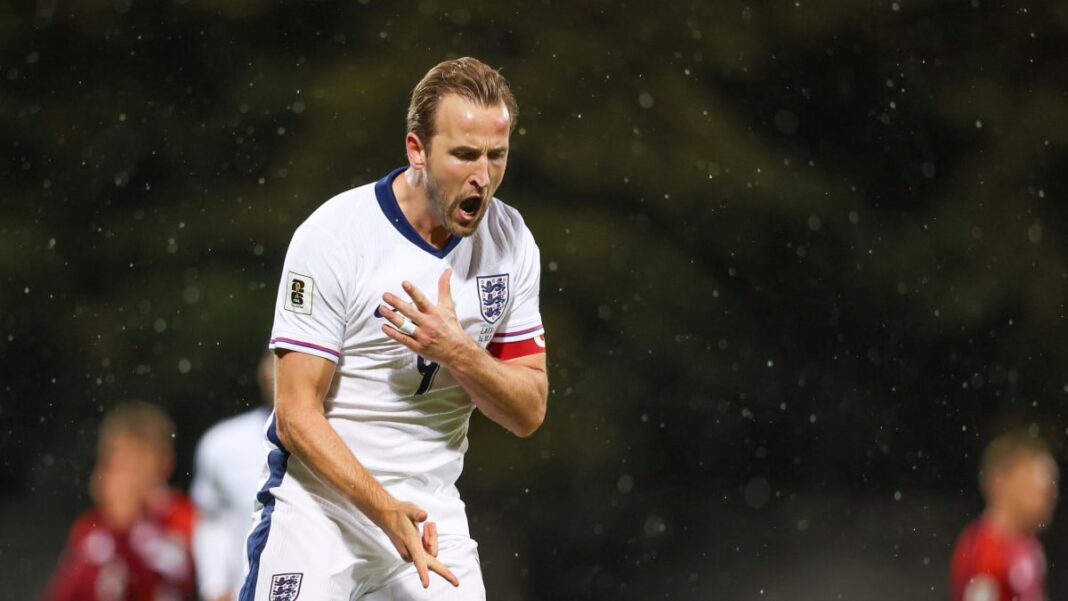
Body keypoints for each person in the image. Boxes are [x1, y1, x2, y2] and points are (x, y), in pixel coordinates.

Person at [239, 57, 548, 601]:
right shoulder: (334, 236)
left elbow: (528, 411)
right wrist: (383, 509)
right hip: (318, 512)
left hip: (431, 516)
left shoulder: (511, 242)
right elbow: (295, 416)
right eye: (464, 155)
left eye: (496, 156)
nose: (482, 176)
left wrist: (459, 352)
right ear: (416, 150)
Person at [39, 402, 197, 601]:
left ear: (164, 463)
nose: (123, 478)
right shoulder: (92, 528)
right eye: (116, 463)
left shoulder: (182, 519)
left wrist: (123, 527)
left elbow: (173, 585)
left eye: (134, 465)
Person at [191, 351, 274, 601]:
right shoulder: (223, 443)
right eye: (274, 356)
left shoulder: (357, 437)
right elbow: (211, 519)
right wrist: (215, 586)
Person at [949, 430, 1059, 601]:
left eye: (1049, 490)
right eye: (1034, 488)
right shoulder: (986, 551)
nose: (1048, 498)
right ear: (1001, 483)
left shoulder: (1029, 546)